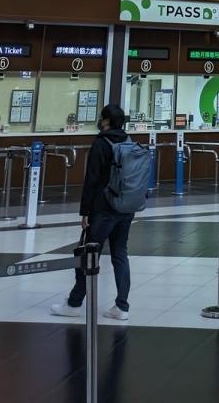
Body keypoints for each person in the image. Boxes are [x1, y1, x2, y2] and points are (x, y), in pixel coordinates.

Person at [51, 104, 147, 321]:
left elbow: (92, 180)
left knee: (89, 255)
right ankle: (122, 306)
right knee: (120, 254)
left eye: (101, 117)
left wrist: (85, 211)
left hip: (104, 209)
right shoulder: (129, 142)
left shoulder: (101, 144)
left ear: (106, 121)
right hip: (126, 207)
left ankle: (74, 303)